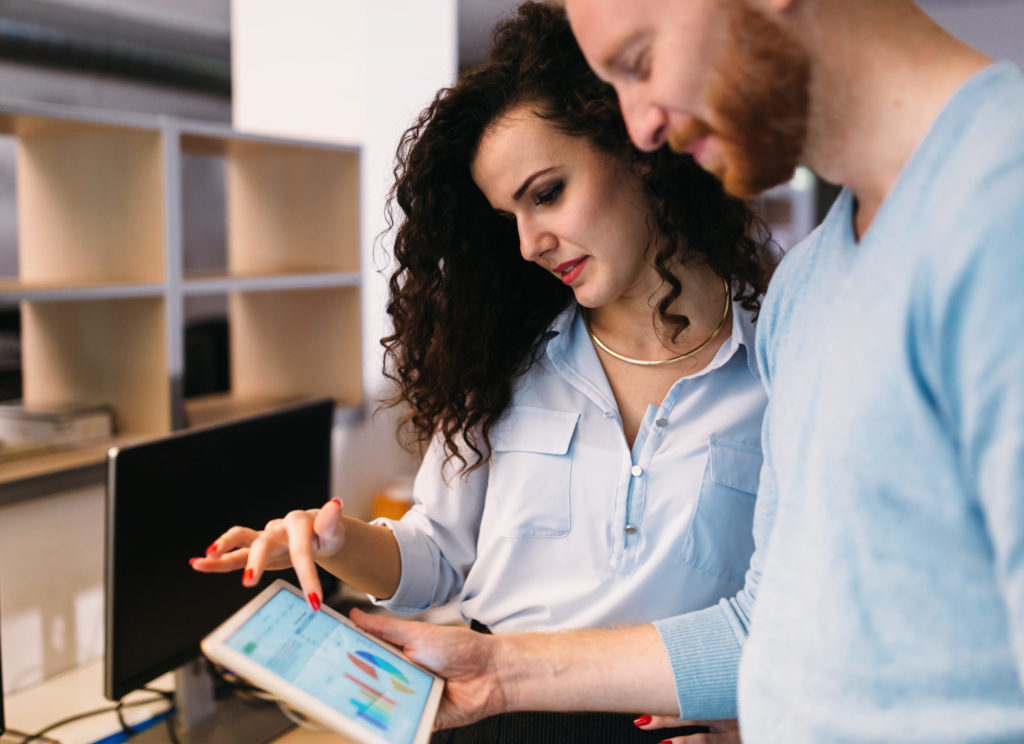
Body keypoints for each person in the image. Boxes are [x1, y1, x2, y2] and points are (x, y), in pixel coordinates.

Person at [348, 0, 1024, 742]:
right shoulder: (811, 286)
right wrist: (502, 673)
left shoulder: (999, 209)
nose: (641, 130)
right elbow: (769, 624)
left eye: (639, 63)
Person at [192, 3, 777, 741]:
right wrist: (339, 542)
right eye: (510, 218)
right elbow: (438, 557)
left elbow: (793, 605)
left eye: (547, 193)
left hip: (674, 720)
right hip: (495, 710)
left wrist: (761, 717)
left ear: (638, 148)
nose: (532, 242)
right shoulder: (509, 360)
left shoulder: (779, 357)